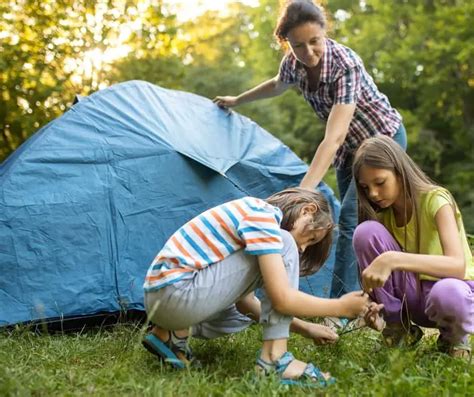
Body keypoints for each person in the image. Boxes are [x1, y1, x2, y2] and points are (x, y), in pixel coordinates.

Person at [213, 0, 408, 301]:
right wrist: (237, 100)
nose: (308, 52)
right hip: (348, 153)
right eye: (298, 45)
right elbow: (277, 85)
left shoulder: (345, 64)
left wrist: (302, 192)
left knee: (352, 219)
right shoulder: (293, 63)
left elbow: (334, 136)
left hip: (383, 140)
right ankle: (362, 298)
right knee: (352, 220)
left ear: (325, 33)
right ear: (286, 43)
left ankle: (343, 306)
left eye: (314, 42)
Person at [142, 187, 370, 386]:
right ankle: (275, 360)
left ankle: (171, 334)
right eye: (310, 239)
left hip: (164, 298)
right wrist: (340, 306)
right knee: (285, 242)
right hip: (178, 294)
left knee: (249, 313)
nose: (302, 249)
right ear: (307, 210)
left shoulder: (251, 214)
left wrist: (306, 329)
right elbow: (281, 298)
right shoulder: (263, 215)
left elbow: (246, 304)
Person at [352, 135, 474, 359]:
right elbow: (385, 279)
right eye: (365, 187)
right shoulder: (383, 217)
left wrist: (392, 259)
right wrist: (372, 305)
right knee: (364, 232)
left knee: (447, 291)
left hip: (453, 296)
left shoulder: (435, 200)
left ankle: (454, 340)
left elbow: (457, 266)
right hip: (416, 299)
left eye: (380, 182)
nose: (373, 194)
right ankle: (399, 329)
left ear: (400, 171)